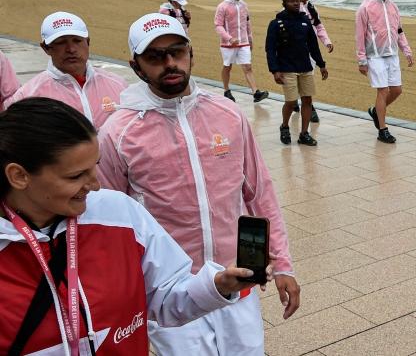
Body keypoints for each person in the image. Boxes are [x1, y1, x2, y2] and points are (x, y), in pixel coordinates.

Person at [0, 97, 268, 355]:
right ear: (19, 175)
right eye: (76, 176)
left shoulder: (119, 213)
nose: (94, 185)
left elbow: (164, 298)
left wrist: (217, 285)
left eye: (94, 167)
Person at [97, 14, 299, 355]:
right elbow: (108, 223)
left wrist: (282, 264)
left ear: (192, 53)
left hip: (238, 282)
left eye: (177, 51)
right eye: (155, 57)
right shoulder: (118, 133)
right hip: (173, 295)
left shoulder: (228, 114)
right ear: (136, 67)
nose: (169, 63)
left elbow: (259, 193)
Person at [8, 12, 127, 128]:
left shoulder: (119, 85)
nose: (71, 49)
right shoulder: (27, 96)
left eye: (77, 40)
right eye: (61, 42)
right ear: (46, 48)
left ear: (88, 42)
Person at [355, 0, 414, 143]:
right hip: (375, 56)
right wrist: (362, 60)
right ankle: (383, 129)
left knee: (397, 90)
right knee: (383, 91)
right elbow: (360, 35)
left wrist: (407, 50)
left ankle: (376, 111)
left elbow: (399, 30)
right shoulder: (364, 7)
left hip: (392, 54)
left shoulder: (393, 6)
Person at [266, 0, 329, 146]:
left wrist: (321, 64)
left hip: (305, 67)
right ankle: (285, 126)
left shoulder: (305, 21)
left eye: (297, 1)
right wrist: (274, 70)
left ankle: (304, 134)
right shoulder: (276, 23)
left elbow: (313, 46)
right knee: (291, 100)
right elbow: (270, 49)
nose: (295, 3)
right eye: (291, 1)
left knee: (307, 99)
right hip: (287, 68)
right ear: (284, 4)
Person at [214, 0, 268, 103]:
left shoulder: (244, 5)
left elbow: (247, 23)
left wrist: (250, 39)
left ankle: (256, 93)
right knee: (227, 67)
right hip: (228, 44)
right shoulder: (222, 6)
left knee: (248, 67)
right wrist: (229, 38)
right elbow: (218, 25)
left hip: (243, 42)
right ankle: (226, 90)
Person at [290, 0, 334, 124]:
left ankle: (299, 101)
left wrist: (327, 42)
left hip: (311, 49)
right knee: (301, 76)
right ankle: (309, 106)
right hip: (297, 50)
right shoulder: (292, 10)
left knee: (307, 77)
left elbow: (319, 27)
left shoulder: (312, 8)